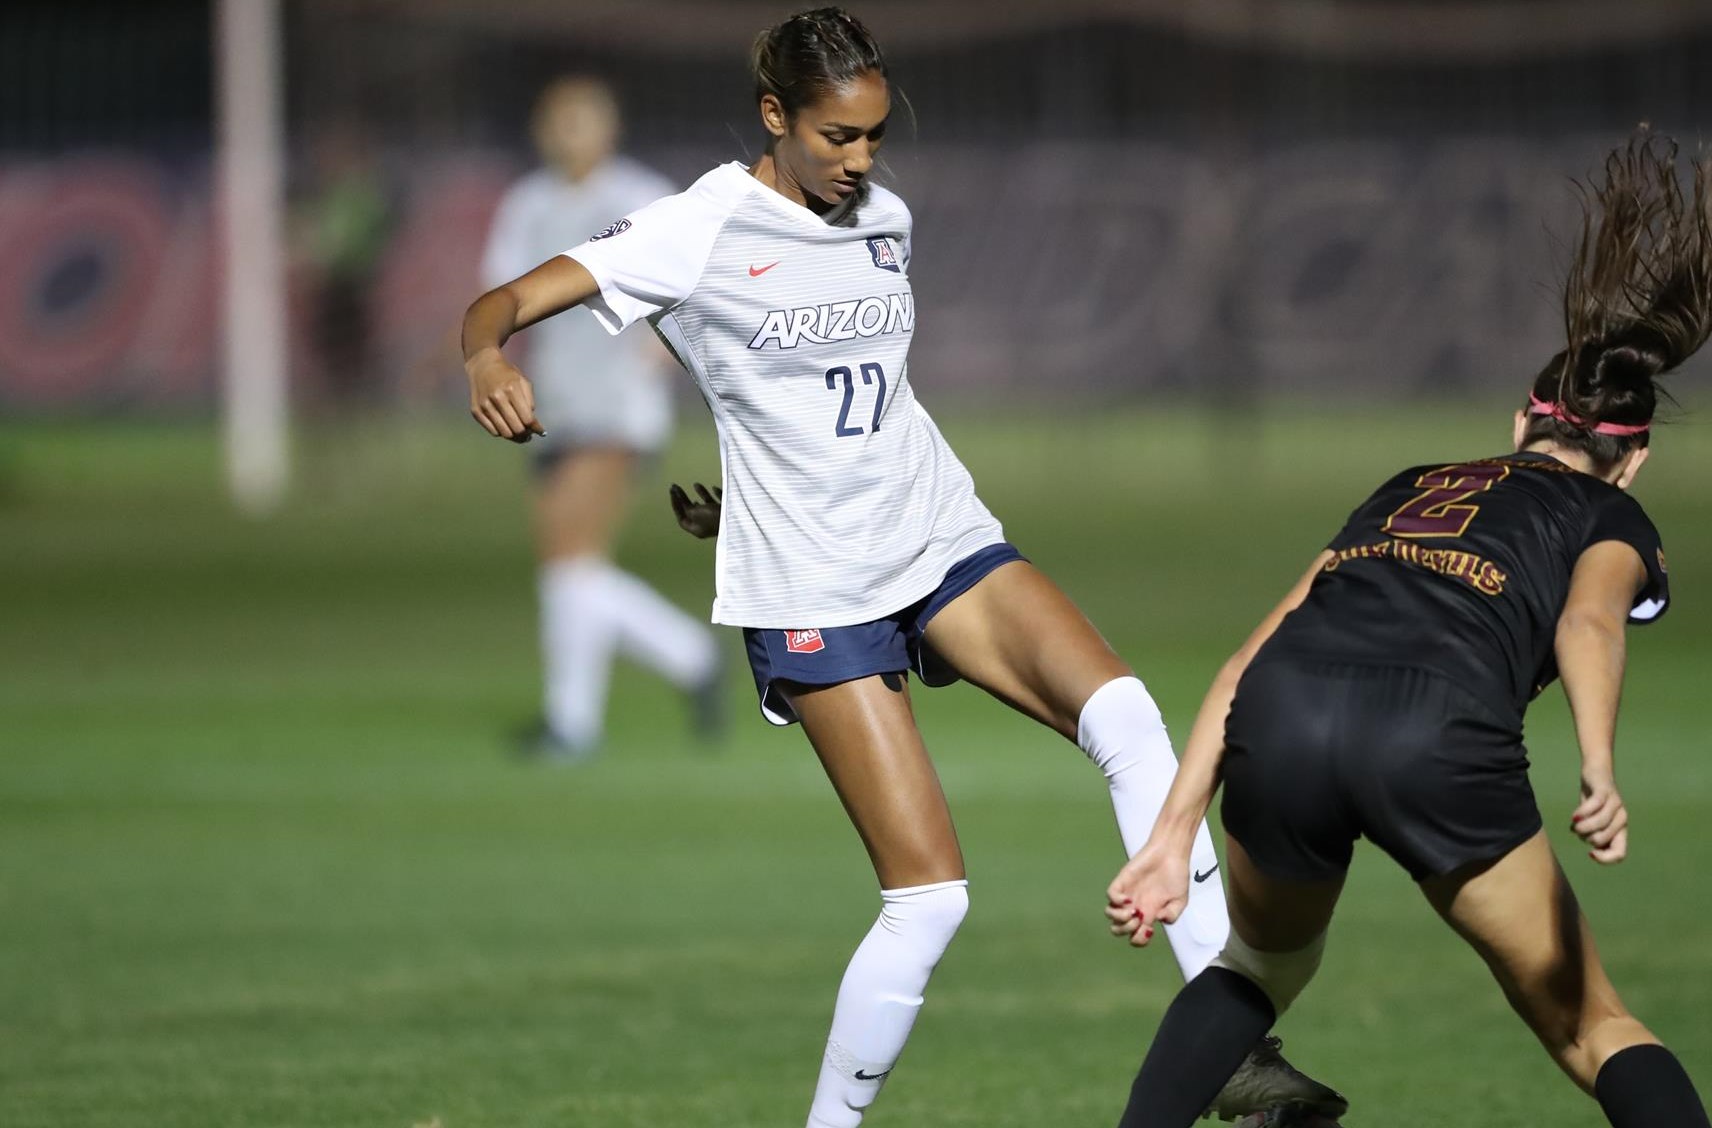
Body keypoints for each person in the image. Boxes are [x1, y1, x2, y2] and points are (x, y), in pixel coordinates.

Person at [460, 8, 1345, 1127]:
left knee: (1126, 718)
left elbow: (847, 402)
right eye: (837, 136)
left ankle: (1233, 1055)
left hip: (935, 534)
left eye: (875, 134)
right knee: (927, 902)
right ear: (775, 116)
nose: (860, 160)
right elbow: (505, 302)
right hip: (812, 585)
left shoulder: (886, 218)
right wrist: (486, 353)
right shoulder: (694, 227)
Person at [1106, 130, 1712, 1128]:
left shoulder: (1411, 487)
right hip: (1434, 732)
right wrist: (1596, 764)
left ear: (1518, 424)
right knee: (1590, 1027)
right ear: (1631, 461)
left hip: (1285, 714)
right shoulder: (1607, 515)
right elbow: (1587, 618)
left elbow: (1252, 653)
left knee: (1255, 970)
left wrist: (1171, 831)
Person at [479, 76, 724, 759]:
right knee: (570, 565)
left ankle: (573, 722)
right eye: (557, 121)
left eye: (582, 121)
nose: (567, 133)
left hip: (618, 406)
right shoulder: (528, 202)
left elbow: (696, 284)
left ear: (609, 129)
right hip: (555, 403)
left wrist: (662, 353)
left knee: (568, 557)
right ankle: (687, 659)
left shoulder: (639, 197)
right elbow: (501, 296)